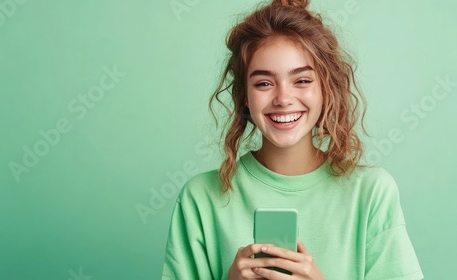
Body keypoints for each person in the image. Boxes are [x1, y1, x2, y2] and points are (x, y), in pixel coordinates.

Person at [162, 0, 423, 279]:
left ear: (326, 88)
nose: (283, 99)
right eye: (264, 83)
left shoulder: (371, 193)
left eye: (302, 80)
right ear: (244, 97)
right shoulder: (200, 199)